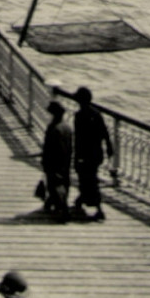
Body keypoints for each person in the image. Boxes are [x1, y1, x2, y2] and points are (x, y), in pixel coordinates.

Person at [71, 86, 116, 221]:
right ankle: (81, 200)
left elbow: (79, 139)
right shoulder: (97, 114)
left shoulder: (79, 116)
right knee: (90, 178)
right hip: (96, 154)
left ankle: (98, 209)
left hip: (85, 155)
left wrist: (77, 156)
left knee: (87, 180)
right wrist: (109, 148)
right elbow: (105, 133)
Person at [40, 99, 74, 218]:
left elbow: (48, 146)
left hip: (53, 159)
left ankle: (62, 206)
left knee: (53, 183)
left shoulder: (53, 128)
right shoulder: (67, 127)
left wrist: (44, 161)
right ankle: (54, 202)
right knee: (63, 181)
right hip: (65, 159)